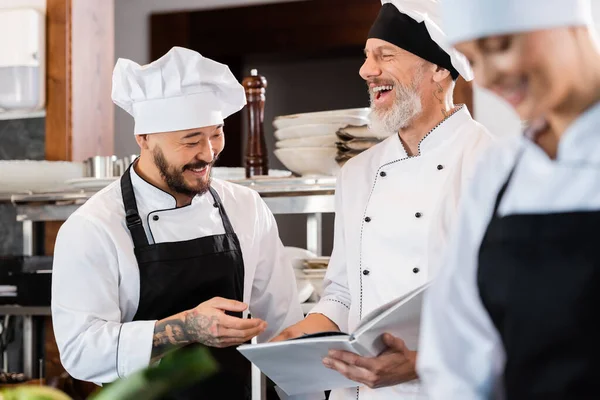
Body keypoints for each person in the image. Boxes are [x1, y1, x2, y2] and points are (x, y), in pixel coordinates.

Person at [51, 47, 307, 399]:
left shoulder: (245, 206)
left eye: (215, 134)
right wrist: (185, 328)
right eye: (190, 141)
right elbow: (81, 351)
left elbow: (282, 321)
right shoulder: (93, 227)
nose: (208, 153)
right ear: (144, 138)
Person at [272, 0, 494, 398]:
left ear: (439, 69)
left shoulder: (491, 163)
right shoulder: (358, 172)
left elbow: (510, 306)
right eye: (366, 56)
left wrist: (418, 361)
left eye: (384, 56)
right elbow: (343, 291)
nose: (365, 70)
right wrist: (299, 334)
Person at [417, 0, 600, 399]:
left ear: (571, 23)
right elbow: (457, 355)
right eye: (470, 59)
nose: (485, 77)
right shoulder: (500, 170)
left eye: (500, 45)